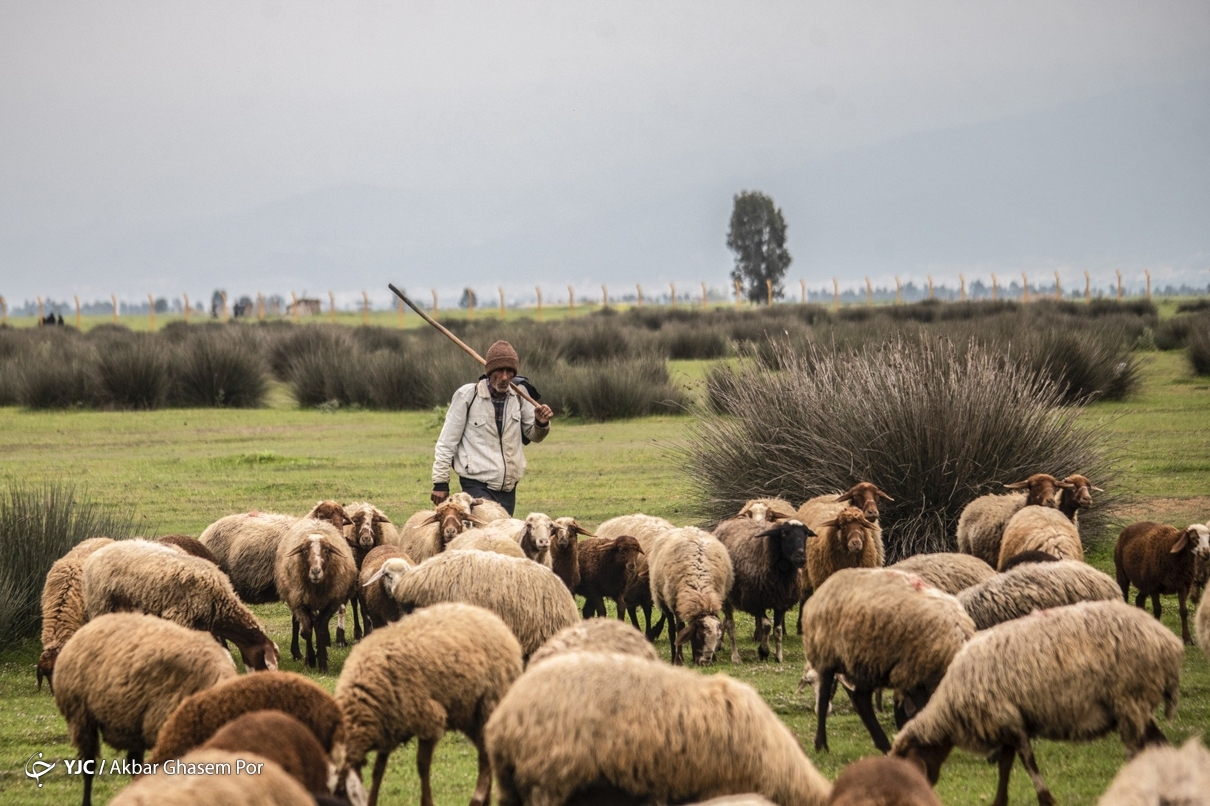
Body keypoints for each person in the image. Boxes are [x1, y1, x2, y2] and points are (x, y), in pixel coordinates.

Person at [430, 340, 553, 516]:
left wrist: (541, 423)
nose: (504, 377)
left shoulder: (520, 395)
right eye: (499, 371)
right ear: (489, 372)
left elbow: (533, 435)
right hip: (476, 483)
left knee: (501, 537)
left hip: (508, 486)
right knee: (487, 534)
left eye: (509, 371)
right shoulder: (467, 396)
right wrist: (440, 482)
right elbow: (446, 442)